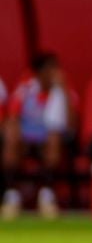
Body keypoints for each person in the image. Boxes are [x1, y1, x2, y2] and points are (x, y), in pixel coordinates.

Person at [1, 52, 68, 220]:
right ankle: (11, 195)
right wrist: (14, 131)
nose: (53, 72)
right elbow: (13, 115)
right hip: (26, 134)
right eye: (49, 68)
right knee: (10, 134)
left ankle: (46, 195)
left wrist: (63, 91)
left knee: (53, 138)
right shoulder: (26, 88)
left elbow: (71, 122)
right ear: (39, 72)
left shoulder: (62, 89)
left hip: (49, 136)